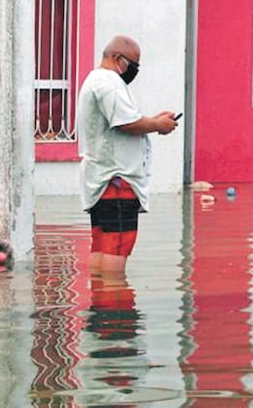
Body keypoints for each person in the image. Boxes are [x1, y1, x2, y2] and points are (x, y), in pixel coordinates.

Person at [76, 35, 178, 277]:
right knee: (118, 244)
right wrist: (157, 125)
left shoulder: (97, 80)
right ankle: (115, 308)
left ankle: (101, 302)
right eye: (132, 64)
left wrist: (155, 121)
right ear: (117, 59)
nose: (134, 70)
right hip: (117, 178)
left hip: (104, 178)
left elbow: (125, 121)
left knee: (102, 243)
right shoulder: (108, 82)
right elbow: (126, 123)